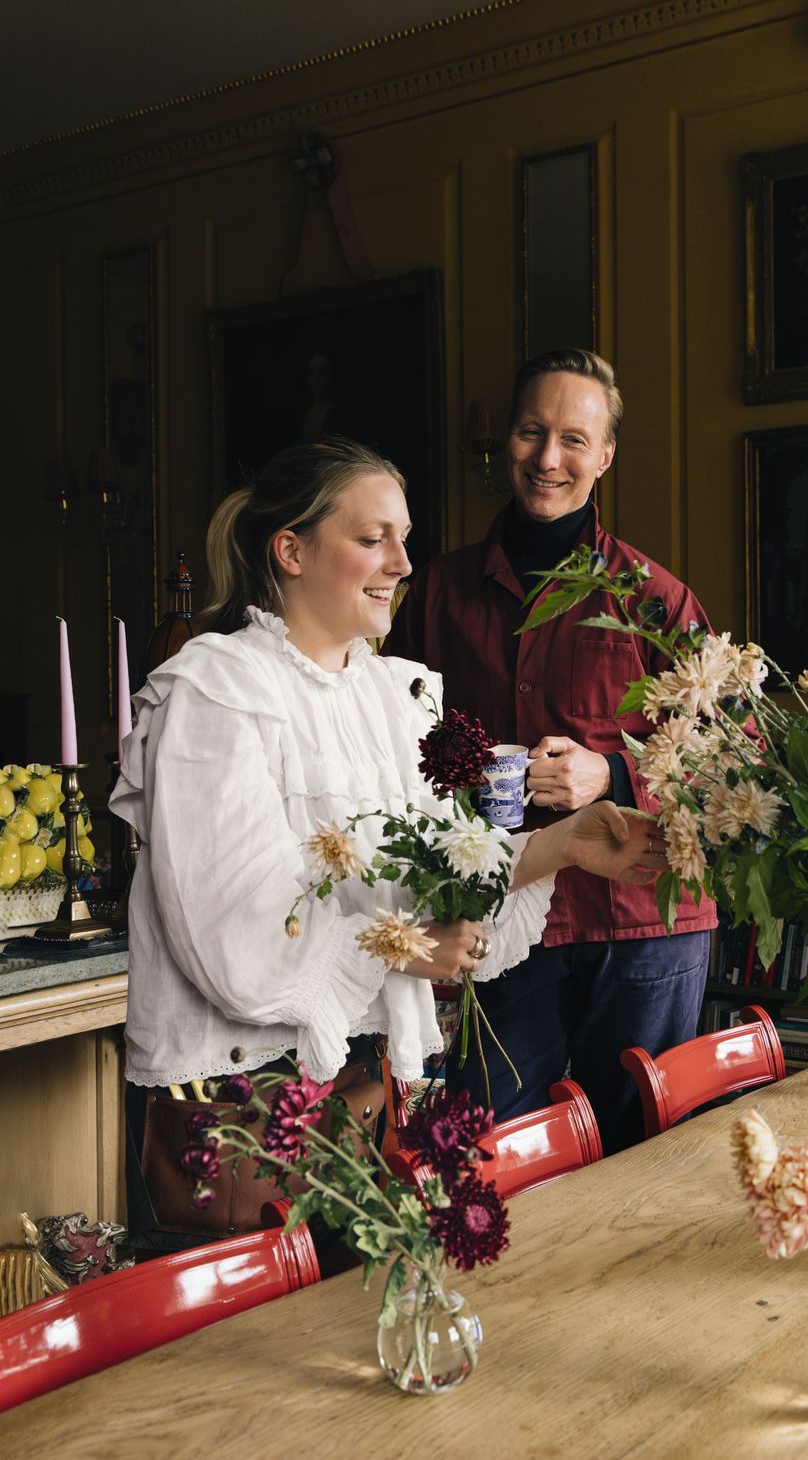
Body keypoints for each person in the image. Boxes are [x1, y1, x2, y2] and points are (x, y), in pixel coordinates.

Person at [111, 436, 667, 1252]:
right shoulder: (215, 690)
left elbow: (448, 872)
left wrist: (568, 845)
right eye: (373, 538)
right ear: (291, 551)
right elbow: (229, 928)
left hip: (369, 1102)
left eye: (402, 539)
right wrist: (404, 951)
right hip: (244, 1114)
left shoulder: (397, 698)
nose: (403, 564)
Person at [385, 350, 716, 1153]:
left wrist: (615, 770)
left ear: (605, 455)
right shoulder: (437, 593)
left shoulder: (656, 600)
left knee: (645, 1163)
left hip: (645, 922)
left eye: (574, 438)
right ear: (507, 441)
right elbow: (391, 741)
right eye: (533, 432)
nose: (549, 458)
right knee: (489, 1158)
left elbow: (731, 752)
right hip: (503, 920)